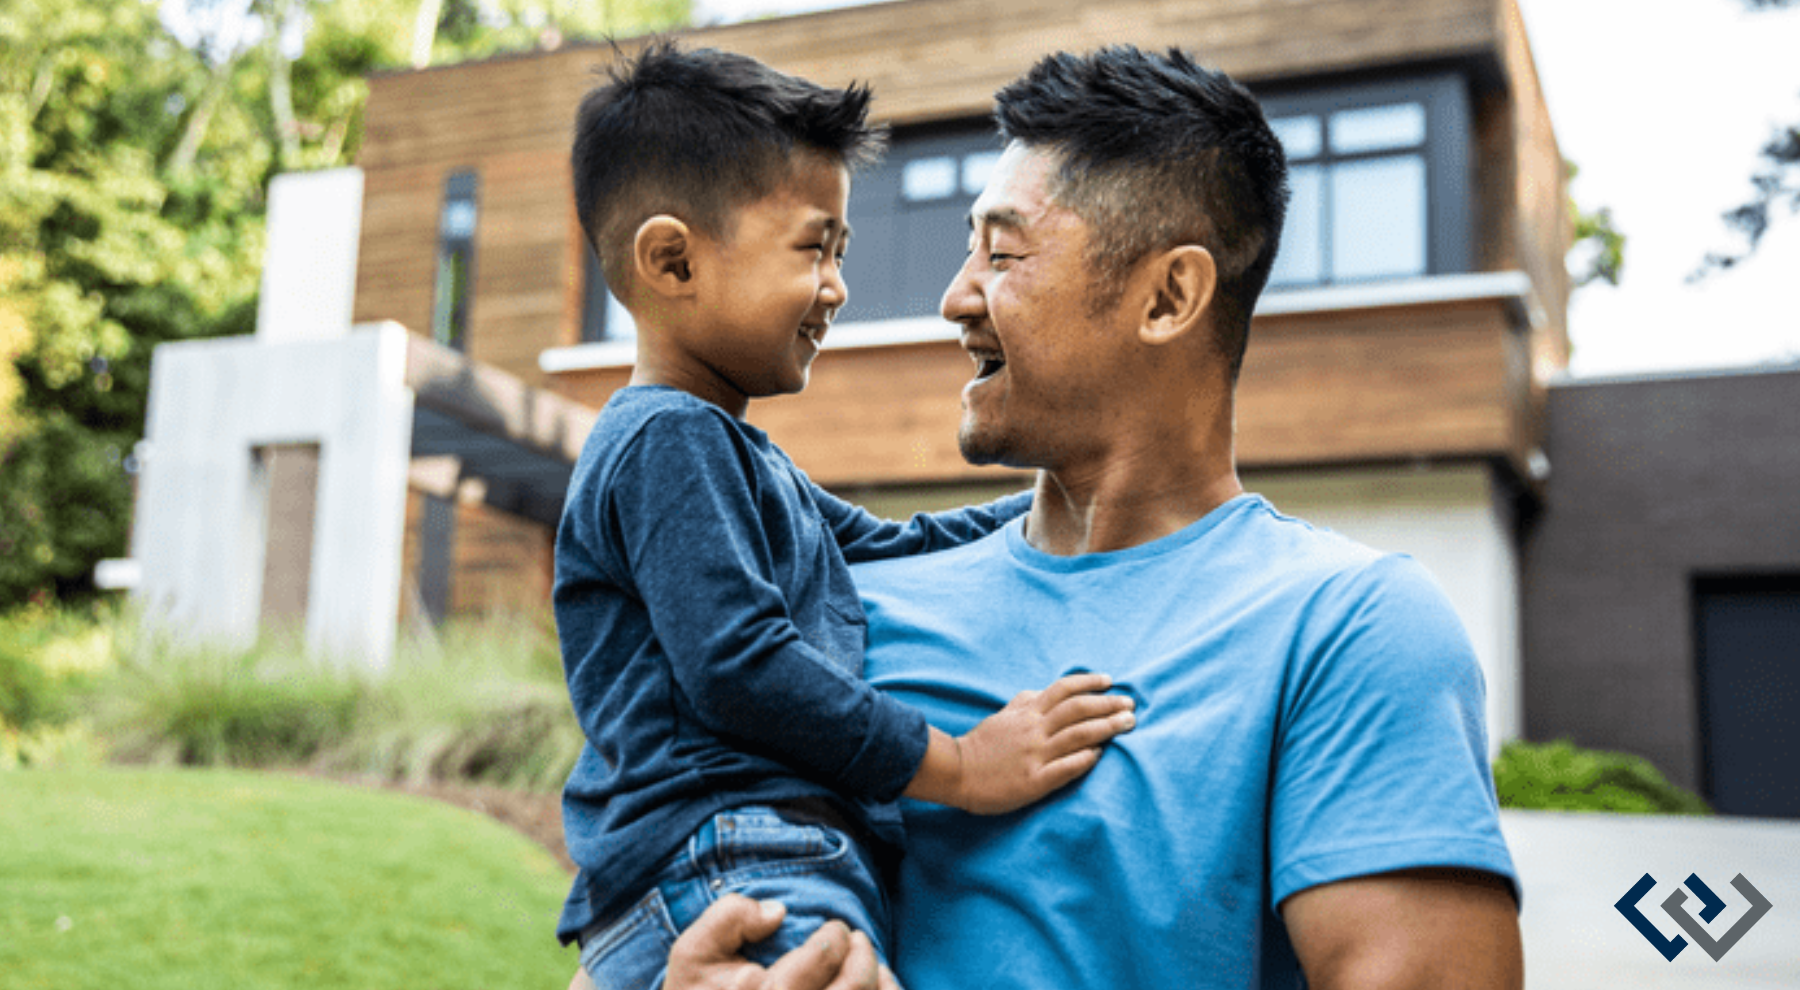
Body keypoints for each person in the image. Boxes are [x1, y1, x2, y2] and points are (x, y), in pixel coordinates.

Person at [657, 45, 1524, 990]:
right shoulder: (842, 609)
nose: (956, 299)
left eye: (1003, 252)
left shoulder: (1347, 630)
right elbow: (652, 899)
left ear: (1168, 297)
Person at [555, 42, 1138, 990]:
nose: (836, 287)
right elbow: (740, 668)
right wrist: (959, 765)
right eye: (812, 248)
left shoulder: (732, 457)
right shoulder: (666, 442)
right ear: (671, 260)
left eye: (841, 252)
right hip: (735, 863)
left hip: (736, 864)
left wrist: (1081, 481)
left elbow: (895, 548)